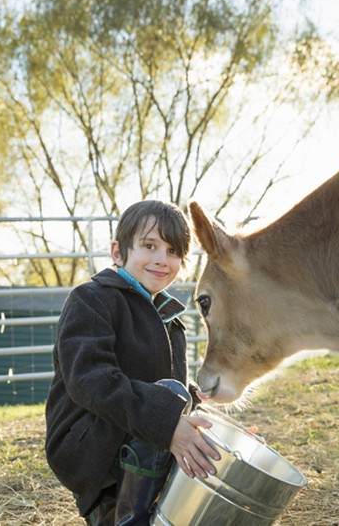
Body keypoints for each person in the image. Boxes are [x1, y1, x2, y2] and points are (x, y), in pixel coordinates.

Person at [45, 199, 219, 525]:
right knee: (168, 397)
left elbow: (168, 388)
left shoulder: (171, 322)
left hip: (136, 440)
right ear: (117, 251)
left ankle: (145, 508)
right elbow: (90, 379)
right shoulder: (92, 299)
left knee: (179, 398)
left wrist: (209, 422)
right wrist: (168, 423)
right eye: (149, 246)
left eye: (173, 251)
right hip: (88, 445)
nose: (161, 260)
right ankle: (125, 515)